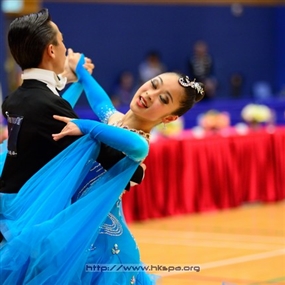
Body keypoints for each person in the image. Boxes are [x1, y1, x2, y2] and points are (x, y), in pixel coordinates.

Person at [0, 48, 205, 284]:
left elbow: (123, 140)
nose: (151, 94)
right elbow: (100, 101)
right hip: (66, 218)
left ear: (169, 118)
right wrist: (81, 72)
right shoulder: (114, 120)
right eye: (154, 84)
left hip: (97, 239)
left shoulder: (138, 145)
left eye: (164, 99)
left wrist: (84, 125)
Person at [0, 8, 94, 195]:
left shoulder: (12, 101)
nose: (65, 48)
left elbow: (43, 96)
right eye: (62, 41)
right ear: (51, 50)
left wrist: (68, 76)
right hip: (32, 208)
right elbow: (91, 151)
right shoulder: (48, 105)